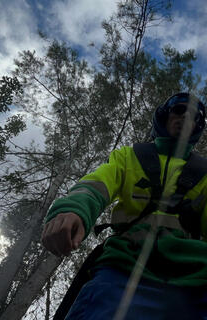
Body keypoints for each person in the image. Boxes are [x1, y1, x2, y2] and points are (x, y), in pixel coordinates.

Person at [41, 92, 207, 320]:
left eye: (195, 117)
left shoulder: (205, 173)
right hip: (122, 269)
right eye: (179, 110)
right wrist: (73, 209)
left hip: (195, 279)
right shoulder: (130, 156)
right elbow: (96, 185)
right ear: (164, 116)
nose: (186, 118)